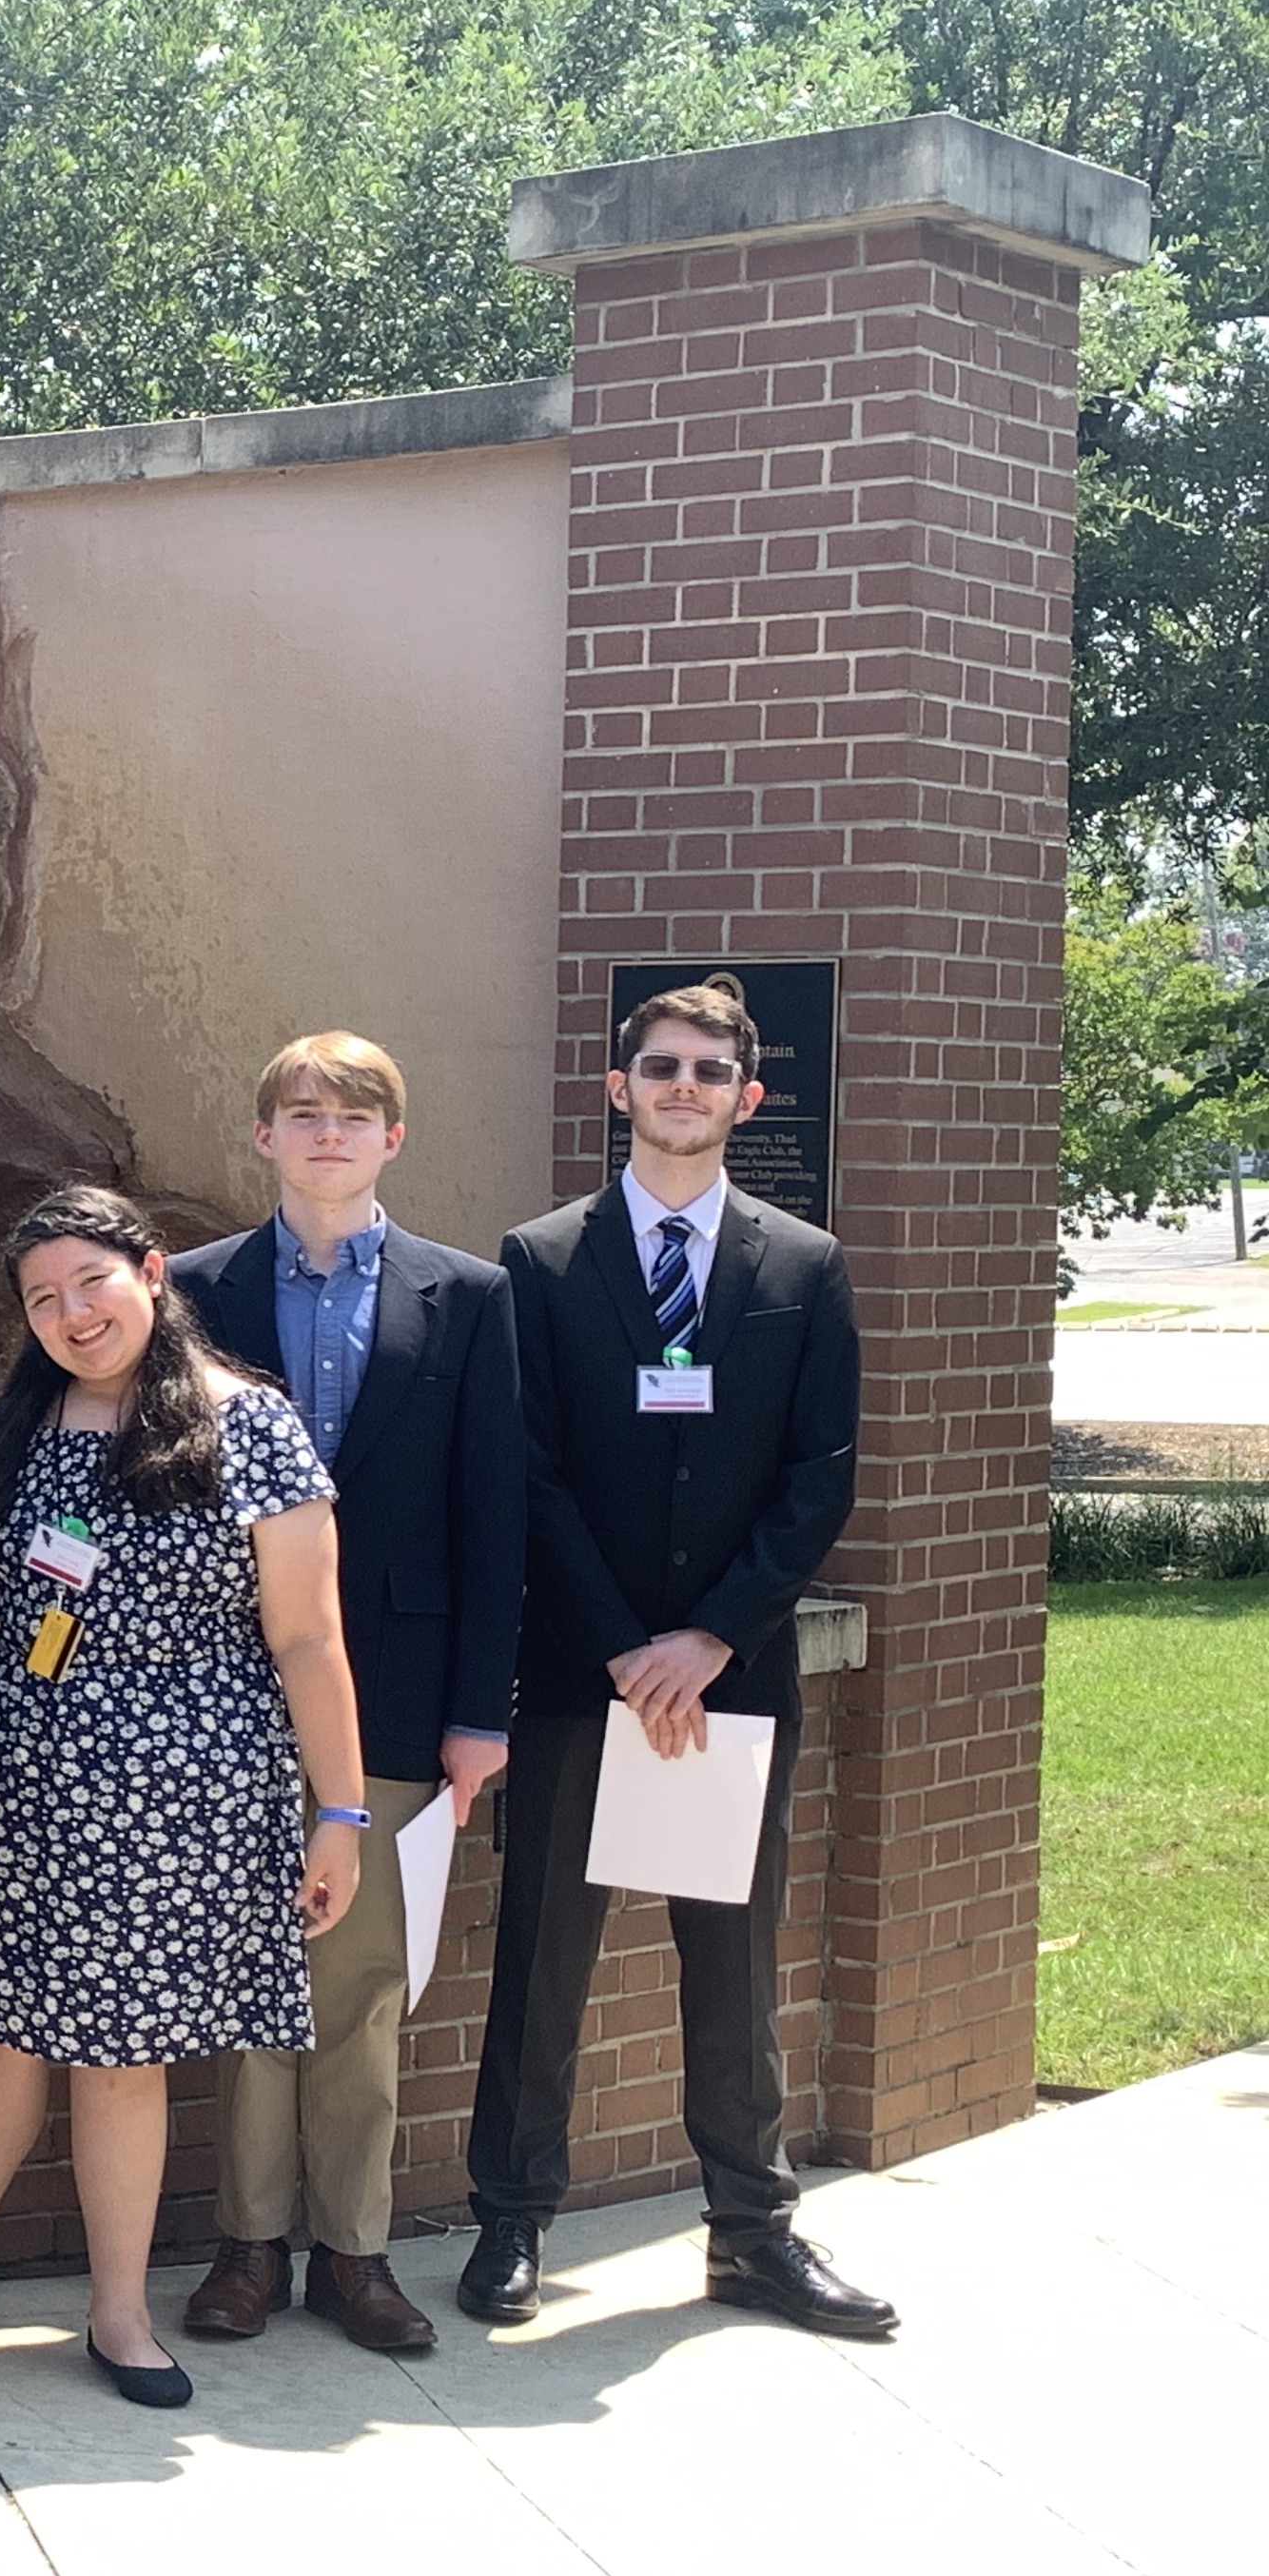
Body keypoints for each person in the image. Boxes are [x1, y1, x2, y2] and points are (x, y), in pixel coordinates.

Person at [0, 1186, 369, 2409]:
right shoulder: (18, 1429)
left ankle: (120, 2312)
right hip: (19, 1788)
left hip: (176, 1802)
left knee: (122, 2056)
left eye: (92, 1283)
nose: (72, 1315)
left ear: (152, 1270)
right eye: (42, 1299)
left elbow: (307, 1640)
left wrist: (338, 1813)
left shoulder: (254, 1427)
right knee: (4, 2028)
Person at [462, 975, 887, 2335]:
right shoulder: (538, 1261)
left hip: (730, 1679)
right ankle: (511, 2225)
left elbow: (820, 1478)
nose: (685, 1087)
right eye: (662, 1066)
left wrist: (709, 1638)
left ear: (747, 1097)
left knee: (735, 1963)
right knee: (542, 1960)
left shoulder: (804, 1266)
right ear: (619, 1087)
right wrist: (625, 1651)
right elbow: (524, 1473)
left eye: (711, 1070)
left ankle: (753, 2233)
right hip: (586, 1678)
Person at [166, 1035, 523, 2353]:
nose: (328, 1133)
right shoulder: (195, 1291)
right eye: (303, 1114)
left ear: (393, 1140)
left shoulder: (469, 1297)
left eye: (355, 1115)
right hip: (235, 1691)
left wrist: (480, 1713)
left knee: (363, 1979)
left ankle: (354, 2252)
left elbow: (496, 1513)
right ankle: (249, 2246)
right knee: (259, 1972)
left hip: (397, 1691)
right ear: (262, 1137)